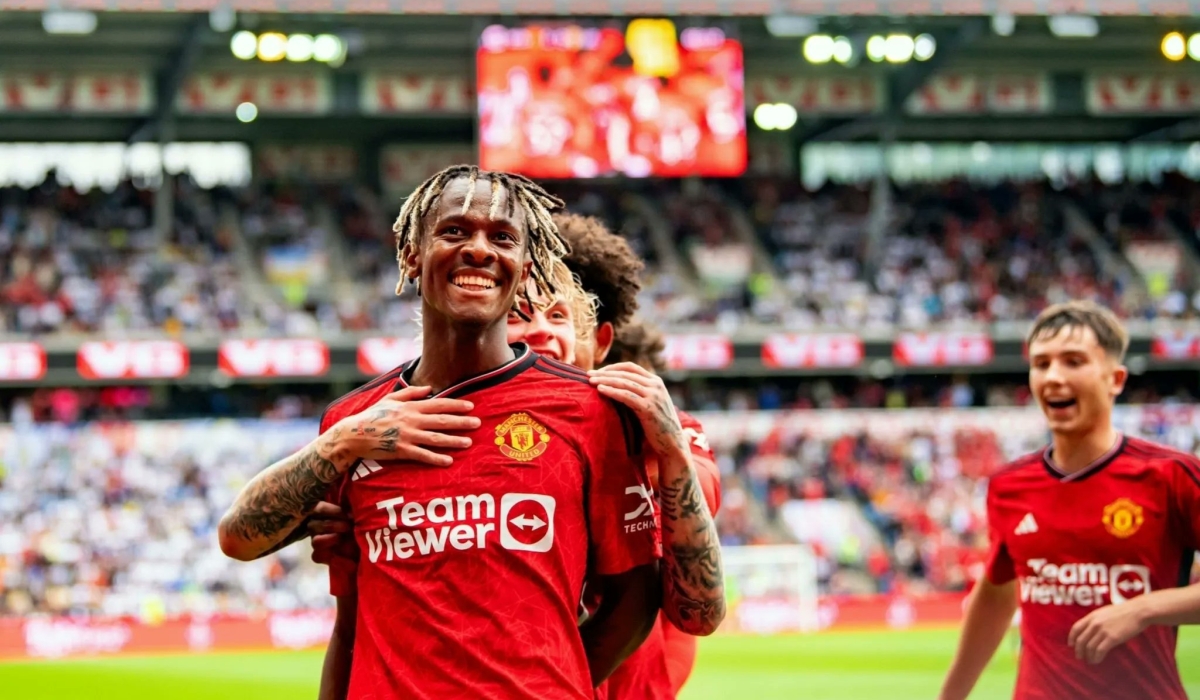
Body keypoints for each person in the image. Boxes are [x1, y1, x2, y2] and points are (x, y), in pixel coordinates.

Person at [218, 166, 662, 700]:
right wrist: (343, 444)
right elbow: (263, 558)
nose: (479, 249)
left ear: (523, 268)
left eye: (502, 237)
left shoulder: (588, 412)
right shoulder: (355, 422)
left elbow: (635, 600)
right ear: (412, 253)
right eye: (455, 231)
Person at [310, 212, 726, 700]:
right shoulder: (429, 427)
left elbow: (694, 589)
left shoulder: (646, 429)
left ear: (599, 340)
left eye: (558, 315)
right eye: (518, 316)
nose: (540, 333)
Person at [938, 300, 1200, 700]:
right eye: (1041, 364)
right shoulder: (1010, 486)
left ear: (1115, 379)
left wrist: (1142, 609)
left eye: (1073, 361)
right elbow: (995, 593)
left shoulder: (1170, 476)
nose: (1053, 377)